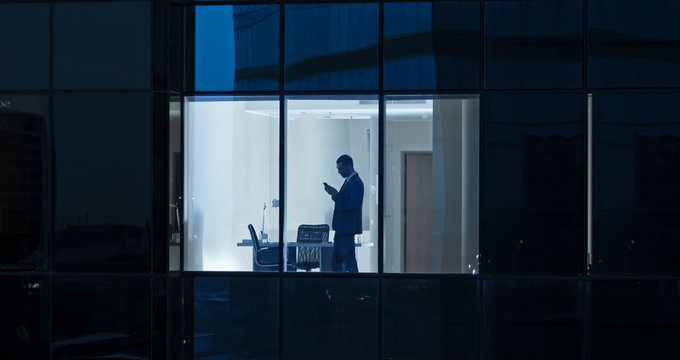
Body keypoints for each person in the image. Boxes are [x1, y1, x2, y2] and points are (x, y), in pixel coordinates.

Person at [323, 154, 363, 273]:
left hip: (347, 229)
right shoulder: (349, 182)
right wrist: (335, 194)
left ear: (349, 166)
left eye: (341, 168)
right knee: (336, 262)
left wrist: (335, 194)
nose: (339, 172)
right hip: (342, 229)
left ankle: (355, 287)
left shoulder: (356, 183)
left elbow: (351, 205)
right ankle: (339, 287)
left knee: (349, 263)